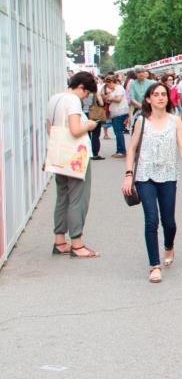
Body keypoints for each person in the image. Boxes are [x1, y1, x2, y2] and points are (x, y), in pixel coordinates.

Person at [122, 83, 182, 283]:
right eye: (156, 95)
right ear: (148, 99)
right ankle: (154, 265)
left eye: (164, 94)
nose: (161, 98)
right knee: (151, 220)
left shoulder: (175, 121)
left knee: (169, 222)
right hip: (145, 175)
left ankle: (169, 246)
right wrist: (129, 174)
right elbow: (132, 149)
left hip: (168, 175)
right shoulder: (141, 121)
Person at [47, 72, 100, 258]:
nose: (86, 98)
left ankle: (60, 241)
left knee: (62, 197)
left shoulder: (54, 98)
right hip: (75, 156)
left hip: (58, 154)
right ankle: (77, 243)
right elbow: (75, 129)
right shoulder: (73, 100)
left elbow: (49, 127)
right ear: (81, 88)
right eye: (87, 94)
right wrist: (90, 125)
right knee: (78, 198)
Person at [102, 75, 129, 158]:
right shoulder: (115, 89)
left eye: (108, 84)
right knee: (118, 132)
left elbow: (118, 99)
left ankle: (121, 151)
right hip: (116, 113)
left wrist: (109, 98)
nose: (108, 86)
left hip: (119, 112)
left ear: (111, 82)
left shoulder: (118, 88)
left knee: (118, 132)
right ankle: (120, 150)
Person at [129, 65, 156, 130]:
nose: (141, 74)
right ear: (135, 74)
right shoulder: (133, 83)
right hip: (138, 109)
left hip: (150, 108)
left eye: (142, 72)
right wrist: (141, 105)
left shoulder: (152, 83)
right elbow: (132, 98)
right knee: (138, 128)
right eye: (138, 72)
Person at [83, 84, 104, 161]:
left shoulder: (82, 92)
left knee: (86, 135)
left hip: (84, 115)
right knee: (95, 135)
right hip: (94, 114)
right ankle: (95, 154)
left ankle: (87, 153)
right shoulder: (95, 93)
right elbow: (101, 103)